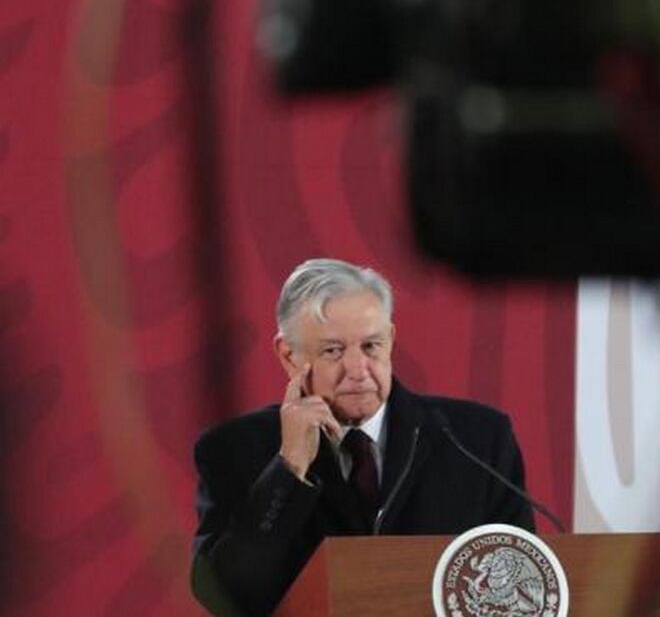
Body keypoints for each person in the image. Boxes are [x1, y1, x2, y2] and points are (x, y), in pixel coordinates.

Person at [191, 258, 534, 616]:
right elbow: (225, 594)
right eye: (333, 351)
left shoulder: (477, 439)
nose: (357, 371)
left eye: (371, 346)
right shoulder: (234, 448)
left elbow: (524, 575)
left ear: (391, 341)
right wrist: (288, 469)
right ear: (289, 356)